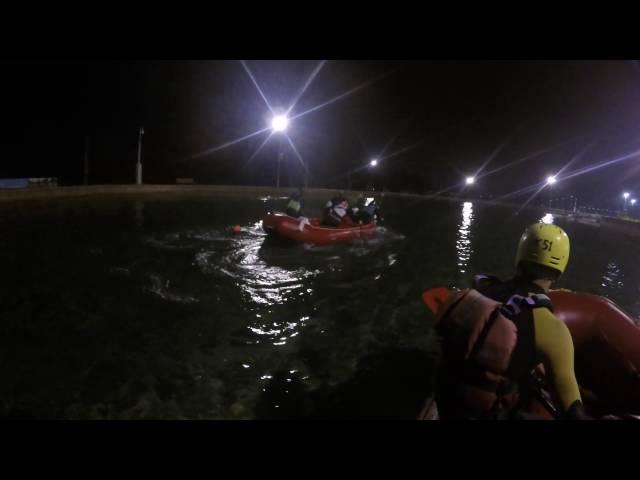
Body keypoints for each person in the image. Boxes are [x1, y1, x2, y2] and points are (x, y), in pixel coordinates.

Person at [433, 223, 591, 420]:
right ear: (559, 271)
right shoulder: (553, 330)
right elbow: (573, 411)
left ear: (519, 258)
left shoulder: (477, 292)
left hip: (447, 406)